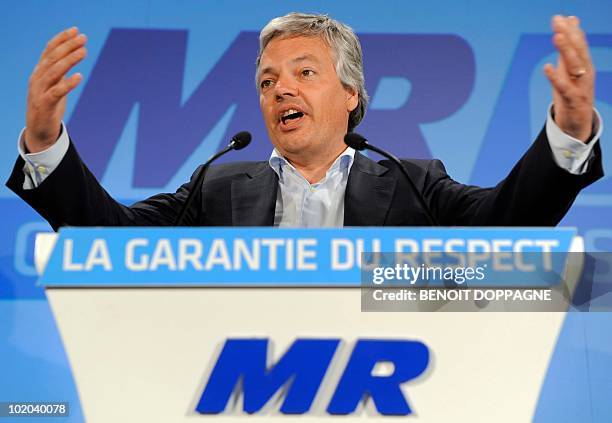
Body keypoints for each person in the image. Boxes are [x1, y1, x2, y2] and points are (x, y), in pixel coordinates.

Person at [6, 12, 603, 229]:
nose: (280, 89)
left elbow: (508, 222)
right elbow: (111, 238)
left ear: (351, 94)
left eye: (304, 73)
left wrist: (568, 131)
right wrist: (44, 141)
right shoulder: (215, 188)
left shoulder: (415, 183)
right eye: (267, 81)